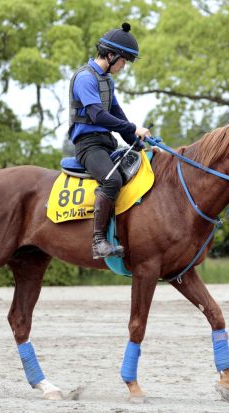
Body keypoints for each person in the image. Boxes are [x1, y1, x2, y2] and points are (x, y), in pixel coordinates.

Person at [68, 22, 151, 259]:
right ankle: (98, 242)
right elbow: (98, 115)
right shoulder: (85, 78)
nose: (124, 66)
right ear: (111, 55)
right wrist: (134, 128)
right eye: (124, 61)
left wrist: (137, 141)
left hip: (106, 144)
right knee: (112, 180)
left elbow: (116, 114)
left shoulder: (107, 80)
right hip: (88, 146)